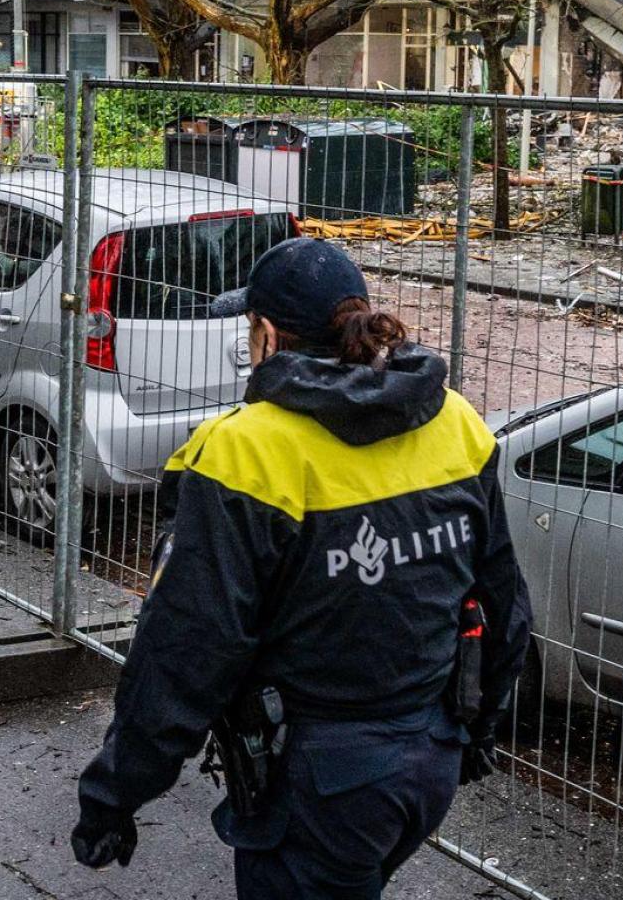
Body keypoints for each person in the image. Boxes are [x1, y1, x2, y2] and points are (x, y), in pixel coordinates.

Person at [71, 237, 532, 898]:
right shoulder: (454, 422)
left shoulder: (242, 454)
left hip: (319, 780)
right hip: (431, 756)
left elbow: (184, 650)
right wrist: (478, 730)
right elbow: (506, 602)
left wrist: (114, 793)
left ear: (264, 334)